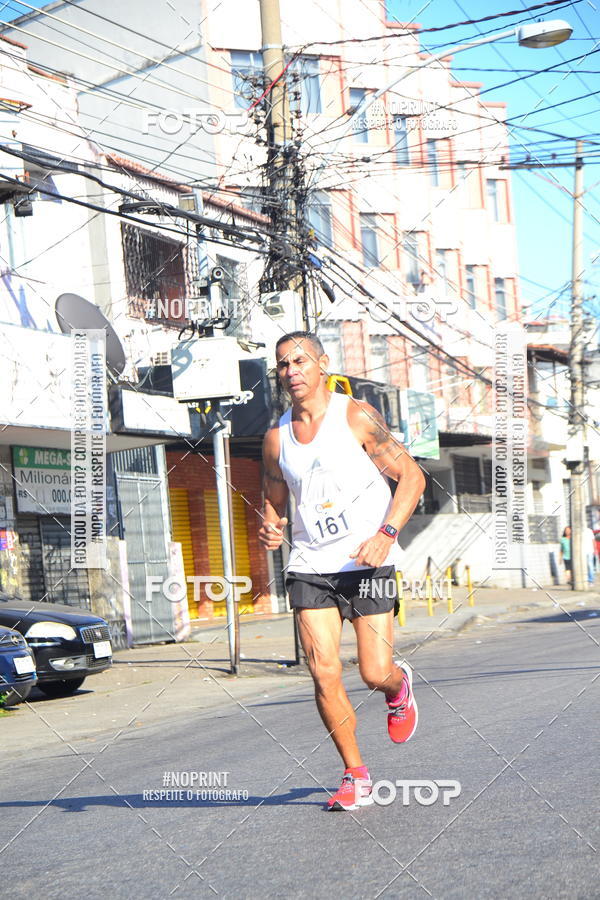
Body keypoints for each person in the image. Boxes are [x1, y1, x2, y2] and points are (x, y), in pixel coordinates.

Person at [258, 332, 426, 811]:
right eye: (283, 364)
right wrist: (271, 527)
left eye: (300, 361)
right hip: (311, 566)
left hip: (367, 560)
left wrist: (386, 534)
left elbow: (412, 477)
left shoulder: (356, 416)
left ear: (322, 364)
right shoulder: (276, 439)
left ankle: (397, 687)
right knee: (323, 671)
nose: (291, 371)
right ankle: (355, 774)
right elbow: (274, 501)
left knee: (373, 672)